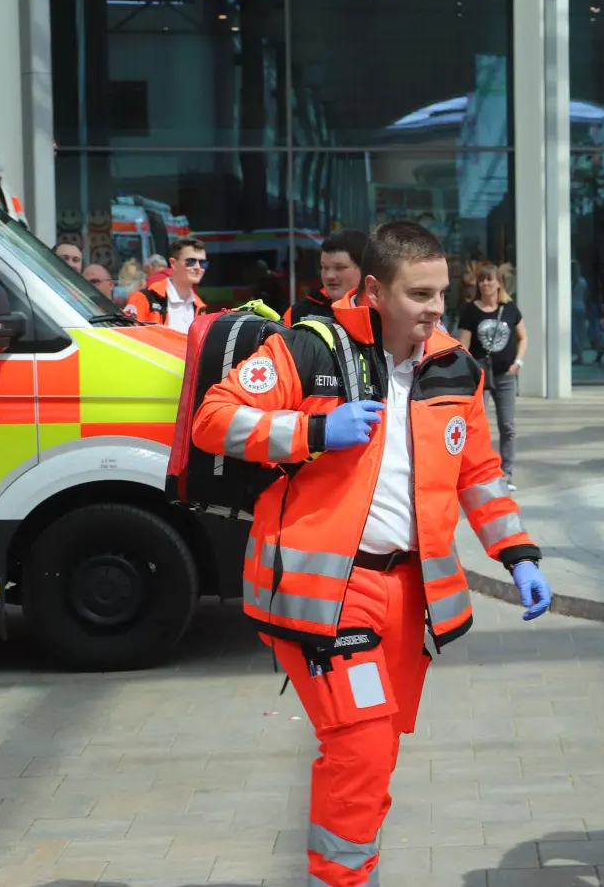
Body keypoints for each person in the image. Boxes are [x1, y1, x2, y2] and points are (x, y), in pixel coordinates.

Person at [192, 221, 553, 887]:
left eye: (442, 292)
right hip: (326, 591)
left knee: (375, 751)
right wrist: (316, 428)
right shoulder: (310, 348)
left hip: (409, 597)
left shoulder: (455, 367)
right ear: (376, 290)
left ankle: (349, 871)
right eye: (420, 294)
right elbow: (214, 418)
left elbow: (478, 472)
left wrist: (517, 551)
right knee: (359, 746)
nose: (437, 308)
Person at [457, 264, 526, 488]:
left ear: (499, 283)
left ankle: (507, 473)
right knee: (478, 426)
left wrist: (518, 362)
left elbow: (523, 337)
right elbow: (463, 346)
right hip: (481, 378)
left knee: (507, 426)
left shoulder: (510, 309)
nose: (486, 284)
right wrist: (469, 372)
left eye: (490, 280)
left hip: (506, 375)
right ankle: (481, 473)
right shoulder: (470, 311)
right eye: (482, 280)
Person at [124, 237, 209, 333]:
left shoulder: (199, 307)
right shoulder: (144, 298)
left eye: (203, 263)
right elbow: (126, 339)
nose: (198, 267)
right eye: (190, 262)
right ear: (173, 263)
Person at [287, 229, 370, 325]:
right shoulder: (299, 312)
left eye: (339, 268)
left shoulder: (381, 312)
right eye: (324, 267)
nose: (329, 276)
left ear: (365, 269)